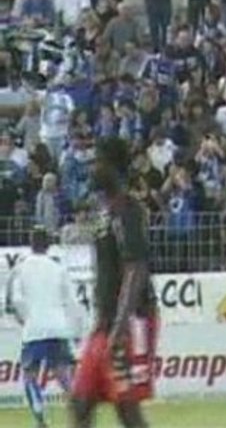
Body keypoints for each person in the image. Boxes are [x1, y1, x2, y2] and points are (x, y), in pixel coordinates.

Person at [72, 138, 158, 428]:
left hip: (128, 322)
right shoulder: (104, 213)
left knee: (126, 407)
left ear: (112, 167)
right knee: (80, 402)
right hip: (106, 322)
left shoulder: (128, 210)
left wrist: (120, 325)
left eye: (98, 161)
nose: (92, 167)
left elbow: (136, 268)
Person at [7, 227, 80, 428]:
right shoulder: (58, 268)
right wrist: (75, 330)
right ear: (48, 245)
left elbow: (16, 299)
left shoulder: (21, 268)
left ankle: (41, 418)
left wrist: (27, 318)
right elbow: (71, 301)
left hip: (35, 330)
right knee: (64, 377)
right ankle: (79, 416)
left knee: (30, 374)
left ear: (31, 244)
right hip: (59, 329)